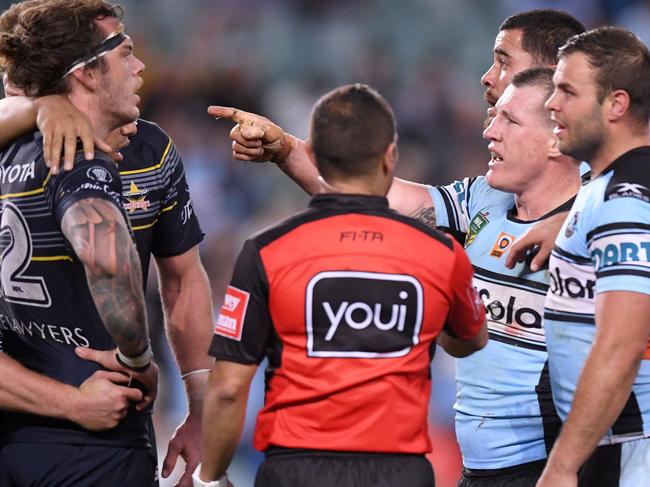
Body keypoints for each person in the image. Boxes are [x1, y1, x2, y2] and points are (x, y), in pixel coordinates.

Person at [209, 10, 585, 486]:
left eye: (503, 61)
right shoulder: (481, 197)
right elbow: (372, 195)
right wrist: (285, 148)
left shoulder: (616, 205)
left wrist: (583, 218)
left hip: (559, 465)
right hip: (482, 468)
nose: (489, 79)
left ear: (557, 82)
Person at [195, 83, 487, 487]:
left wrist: (210, 478)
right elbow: (470, 339)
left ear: (312, 155)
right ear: (390, 157)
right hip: (399, 473)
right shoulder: (441, 254)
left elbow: (228, 388)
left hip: (295, 472)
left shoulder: (266, 251)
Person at [0, 3, 215, 486]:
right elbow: (108, 258)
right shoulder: (62, 154)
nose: (141, 68)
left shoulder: (150, 148)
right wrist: (136, 360)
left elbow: (183, 281)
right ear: (87, 74)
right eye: (126, 53)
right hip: (92, 439)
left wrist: (201, 409)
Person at [537, 27, 650, 487]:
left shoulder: (626, 198)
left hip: (630, 448)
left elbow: (621, 346)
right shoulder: (608, 186)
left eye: (567, 91)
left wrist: (562, 466)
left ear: (616, 105)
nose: (551, 104)